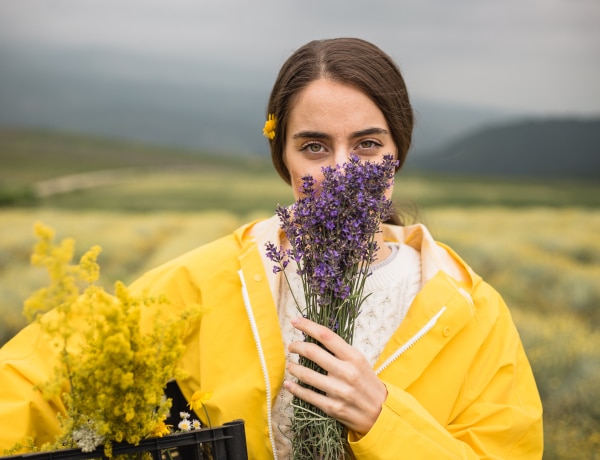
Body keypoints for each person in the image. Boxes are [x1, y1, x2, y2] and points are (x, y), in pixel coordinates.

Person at [0, 37, 543, 459]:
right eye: (314, 146)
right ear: (283, 159)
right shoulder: (210, 280)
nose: (341, 172)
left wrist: (382, 418)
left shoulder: (469, 312)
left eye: (368, 145)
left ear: (398, 154)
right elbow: (39, 377)